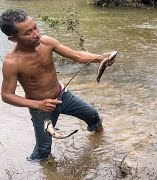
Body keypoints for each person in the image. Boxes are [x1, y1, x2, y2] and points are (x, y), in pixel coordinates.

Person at [0, 9, 117, 161]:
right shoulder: (12, 62)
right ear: (13, 38)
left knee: (93, 116)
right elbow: (6, 95)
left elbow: (77, 55)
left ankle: (103, 145)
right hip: (41, 108)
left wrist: (101, 58)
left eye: (35, 27)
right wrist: (38, 104)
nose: (36, 34)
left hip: (63, 95)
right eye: (28, 33)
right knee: (43, 150)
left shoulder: (47, 42)